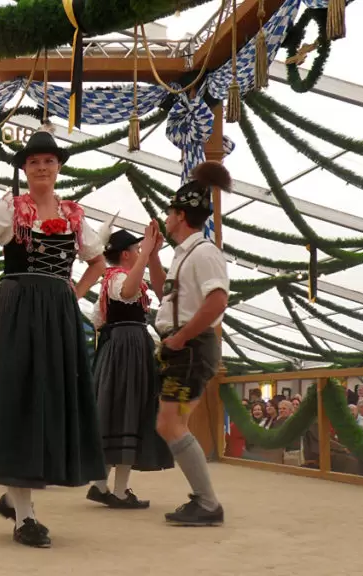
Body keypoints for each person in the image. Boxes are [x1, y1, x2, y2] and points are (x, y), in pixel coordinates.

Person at [0, 130, 108, 548]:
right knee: (19, 399)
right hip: (17, 308)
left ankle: (16, 497)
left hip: (57, 313)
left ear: (58, 167)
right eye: (34, 162)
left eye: (49, 161)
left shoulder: (74, 214)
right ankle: (24, 516)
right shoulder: (11, 208)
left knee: (47, 398)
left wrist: (72, 293)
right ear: (24, 170)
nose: (42, 167)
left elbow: (95, 260)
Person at [148, 161, 231, 527]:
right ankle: (204, 499)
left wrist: (180, 337)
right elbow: (161, 292)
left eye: (169, 212)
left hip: (191, 346)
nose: (166, 218)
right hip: (186, 346)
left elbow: (218, 300)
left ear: (181, 215)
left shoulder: (204, 253)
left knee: (169, 424)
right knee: (174, 422)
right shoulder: (186, 254)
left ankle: (209, 502)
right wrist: (151, 255)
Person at [87, 229, 173, 510]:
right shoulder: (119, 278)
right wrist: (146, 254)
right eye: (136, 250)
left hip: (121, 347)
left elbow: (98, 320)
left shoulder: (114, 278)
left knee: (120, 410)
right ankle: (119, 492)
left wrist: (151, 254)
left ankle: (102, 486)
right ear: (125, 254)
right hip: (128, 347)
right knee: (129, 410)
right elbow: (126, 292)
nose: (139, 254)